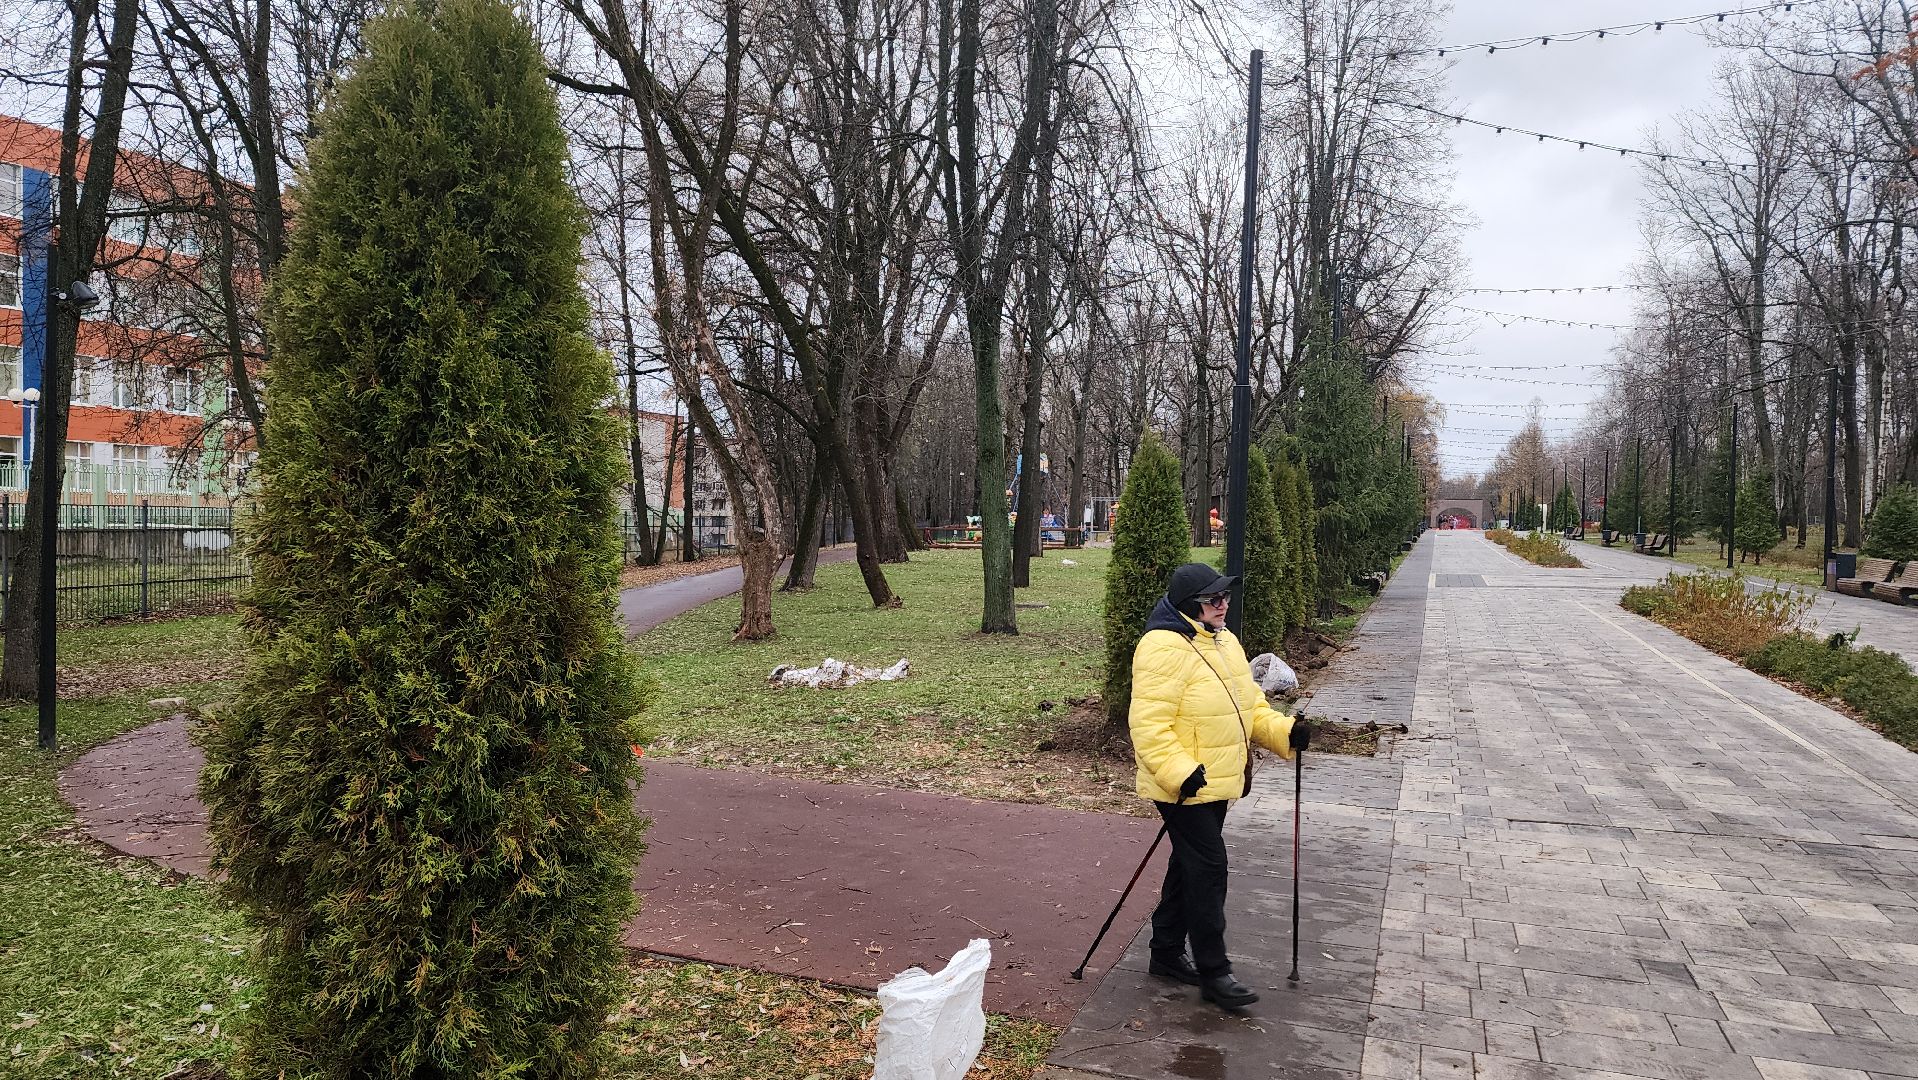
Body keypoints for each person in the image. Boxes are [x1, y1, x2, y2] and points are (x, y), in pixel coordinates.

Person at [1129, 563, 1312, 1009]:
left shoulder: (1225, 641)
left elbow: (1249, 705)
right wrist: (1178, 771)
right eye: (1214, 599)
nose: (1223, 604)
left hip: (1220, 779)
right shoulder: (1162, 647)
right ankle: (1215, 972)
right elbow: (1148, 724)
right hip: (1183, 786)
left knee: (1189, 865)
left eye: (1225, 597)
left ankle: (1166, 953)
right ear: (1192, 605)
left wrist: (1284, 732)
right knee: (1209, 868)